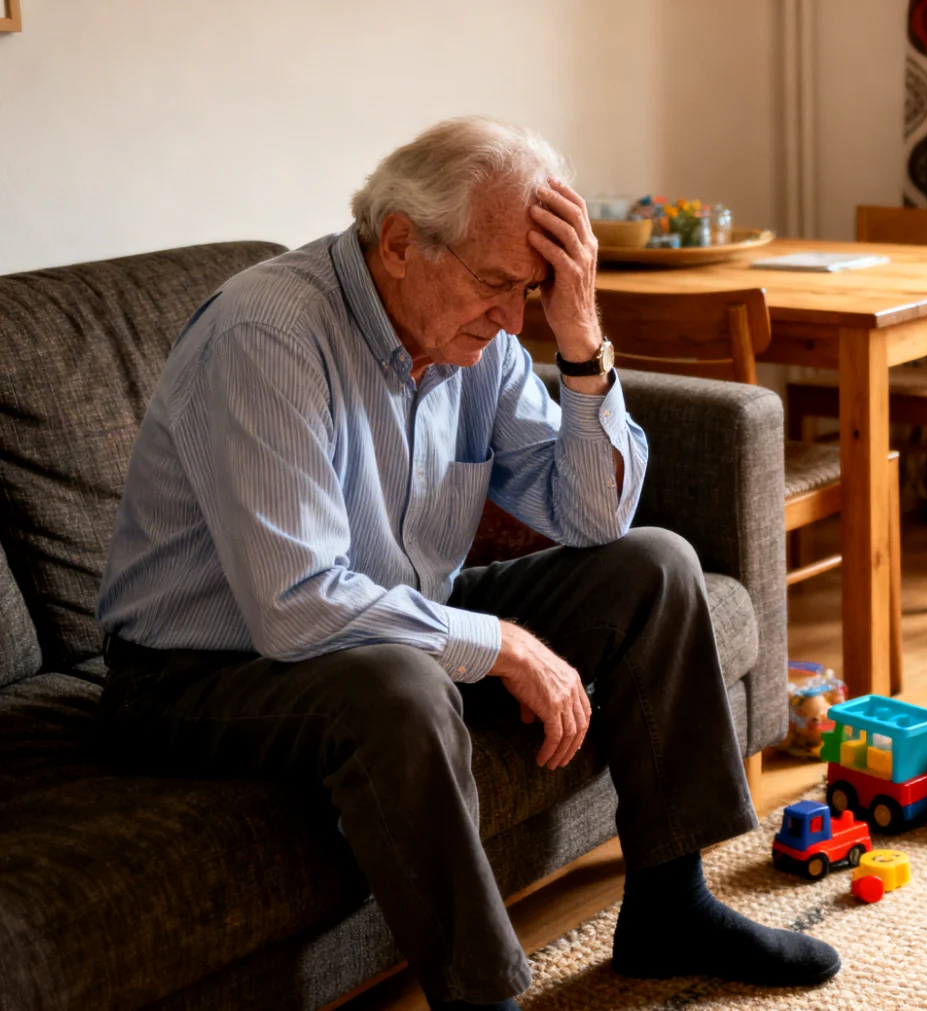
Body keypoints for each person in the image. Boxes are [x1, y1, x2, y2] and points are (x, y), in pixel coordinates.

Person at [94, 117, 837, 1011]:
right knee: (401, 686)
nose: (513, 318)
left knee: (654, 567)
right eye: (496, 283)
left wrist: (581, 337)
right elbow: (296, 603)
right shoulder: (270, 336)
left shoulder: (476, 340)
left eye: (531, 288)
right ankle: (481, 1000)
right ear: (400, 243)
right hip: (199, 673)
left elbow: (594, 518)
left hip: (384, 621)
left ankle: (671, 907)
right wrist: (505, 647)